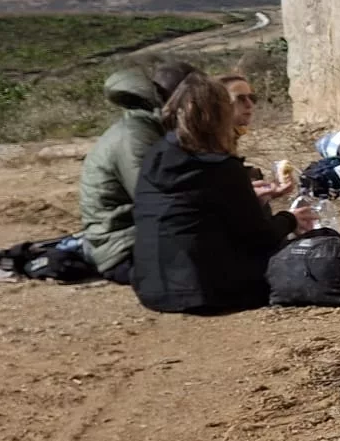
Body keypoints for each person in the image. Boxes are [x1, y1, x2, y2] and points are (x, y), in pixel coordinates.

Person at [132, 74, 311, 314]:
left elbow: (190, 210)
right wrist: (290, 219)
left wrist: (249, 197)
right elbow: (260, 237)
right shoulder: (220, 166)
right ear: (220, 115)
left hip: (151, 287)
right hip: (209, 292)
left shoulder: (158, 154)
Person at [77, 59, 194, 285]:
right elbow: (157, 200)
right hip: (123, 250)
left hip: (138, 239)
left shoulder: (148, 129)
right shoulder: (136, 137)